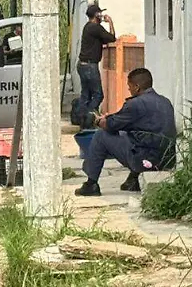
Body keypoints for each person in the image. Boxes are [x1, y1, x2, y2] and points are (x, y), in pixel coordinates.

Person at [75, 68, 177, 197]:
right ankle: (133, 180)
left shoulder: (135, 104)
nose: (129, 90)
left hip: (144, 160)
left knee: (101, 135)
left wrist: (98, 121)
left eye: (130, 87)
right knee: (128, 135)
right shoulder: (165, 101)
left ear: (137, 87)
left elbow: (111, 125)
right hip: (167, 159)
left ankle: (91, 183)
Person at [77, 3, 116, 121]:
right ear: (96, 15)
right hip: (90, 66)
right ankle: (89, 117)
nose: (102, 16)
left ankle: (82, 119)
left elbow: (102, 40)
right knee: (98, 95)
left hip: (82, 65)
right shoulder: (95, 27)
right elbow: (112, 37)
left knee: (86, 95)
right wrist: (110, 22)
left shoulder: (87, 27)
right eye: (100, 14)